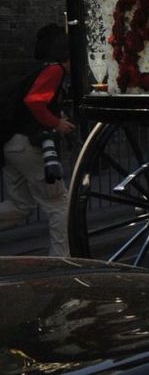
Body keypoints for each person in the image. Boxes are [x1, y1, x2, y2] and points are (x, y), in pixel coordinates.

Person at [0, 24, 74, 256]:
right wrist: (56, 123)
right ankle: (62, 259)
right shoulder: (55, 71)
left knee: (21, 205)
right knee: (59, 203)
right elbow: (35, 101)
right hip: (27, 144)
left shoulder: (39, 68)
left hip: (11, 145)